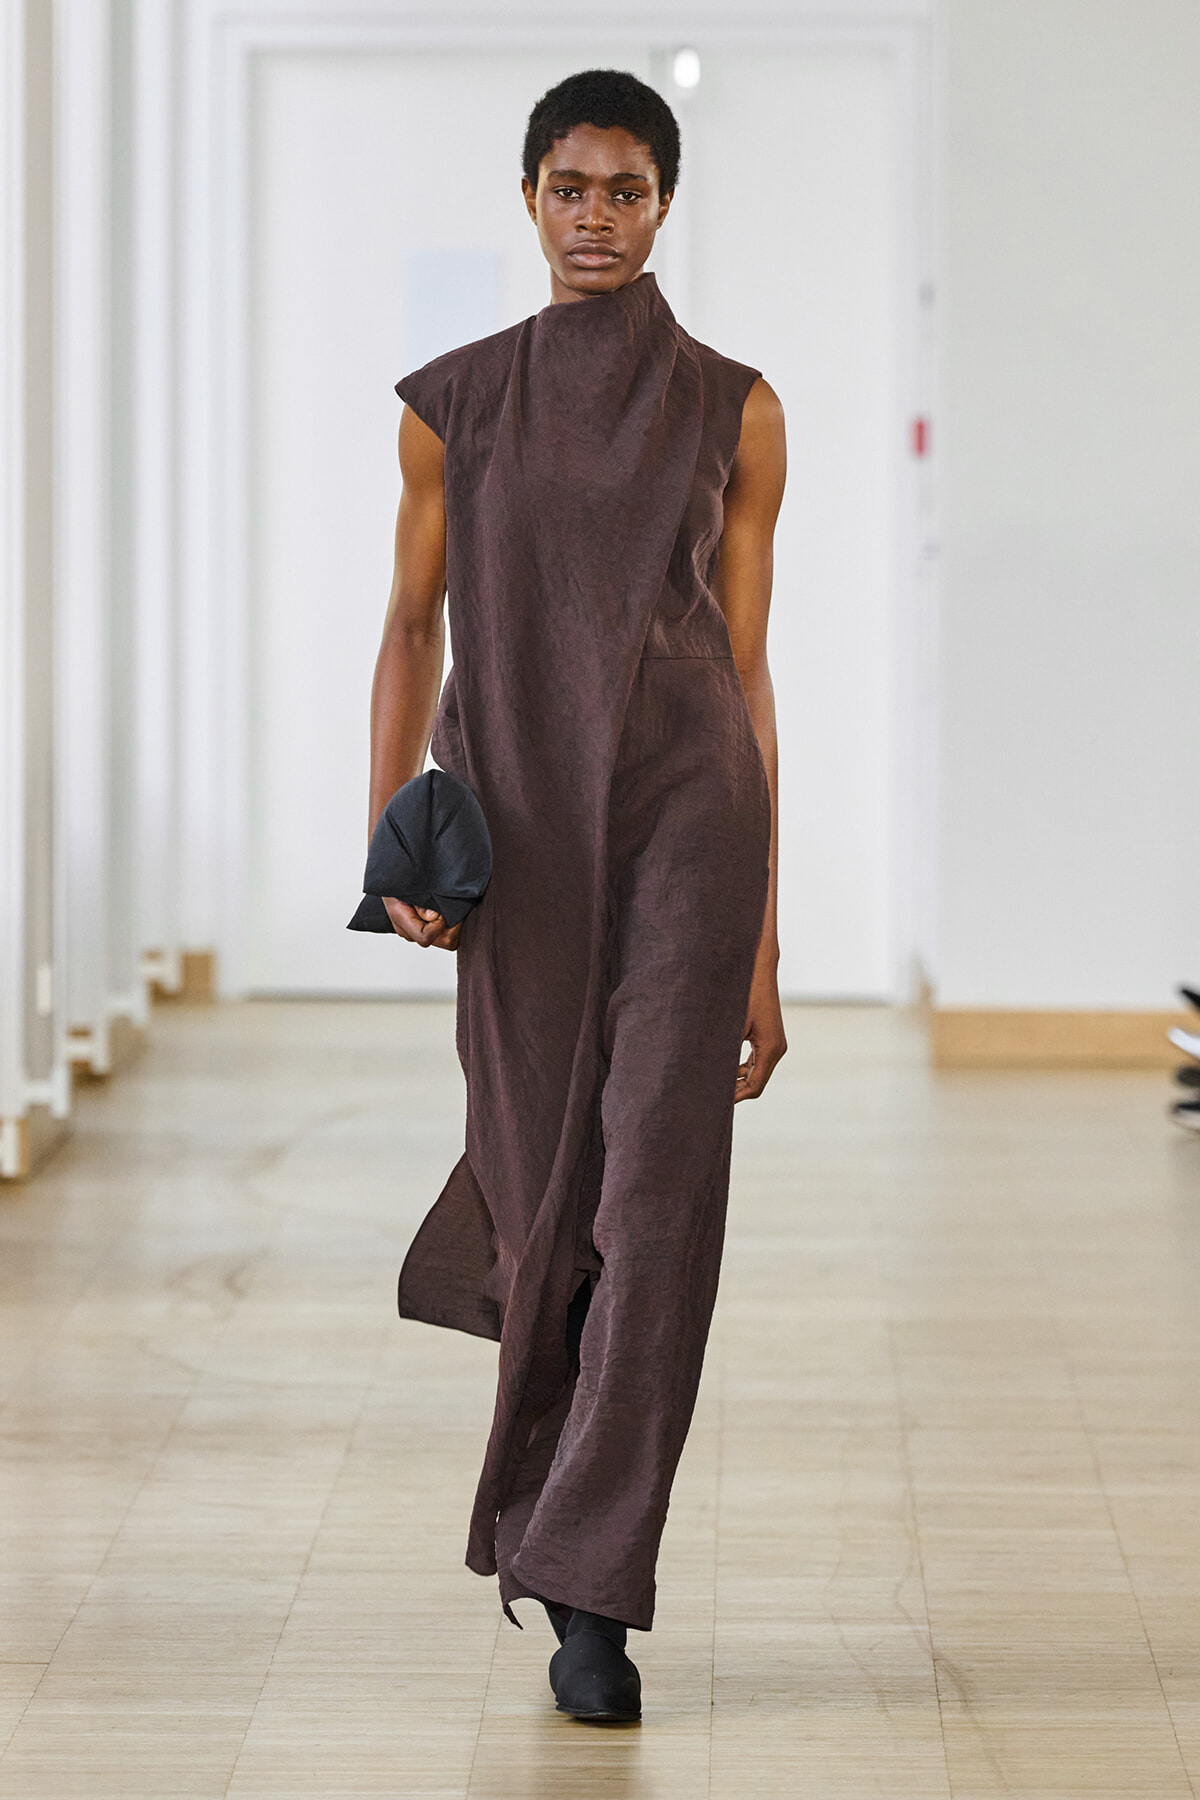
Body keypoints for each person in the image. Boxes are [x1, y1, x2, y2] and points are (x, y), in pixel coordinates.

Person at [369, 68, 787, 1723]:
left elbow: (749, 671)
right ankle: (550, 1511)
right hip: (521, 832)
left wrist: (764, 944)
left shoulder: (736, 407)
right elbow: (410, 630)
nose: (595, 217)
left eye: (626, 189)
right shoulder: (454, 403)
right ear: (530, 199)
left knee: (657, 1199)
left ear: (666, 203)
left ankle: (595, 1590)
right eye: (569, 187)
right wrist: (397, 836)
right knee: (547, 1185)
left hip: (692, 816)